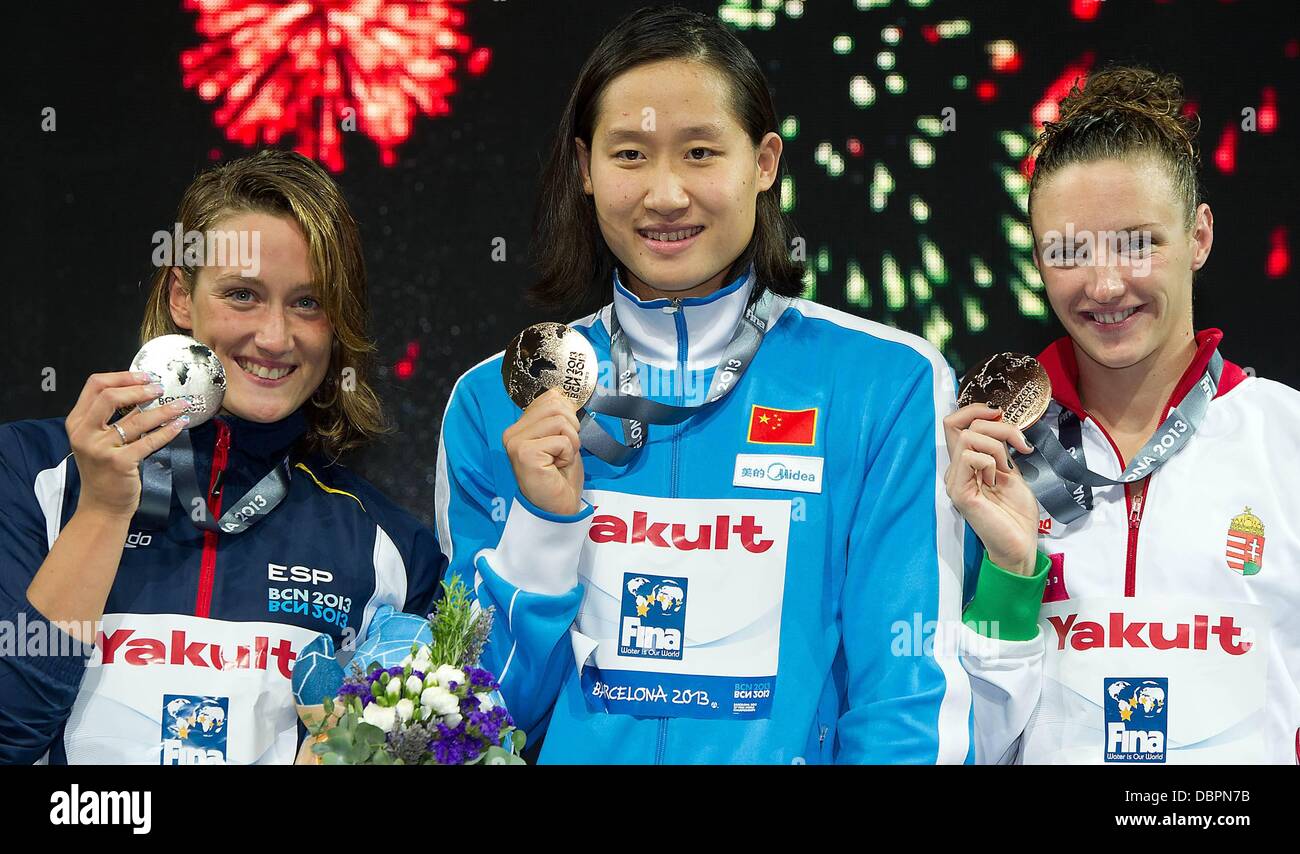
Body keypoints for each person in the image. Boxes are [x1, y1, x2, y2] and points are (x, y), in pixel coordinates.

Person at [435, 5, 976, 764]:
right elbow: (466, 725)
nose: (664, 195)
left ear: (764, 163)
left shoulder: (883, 385)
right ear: (584, 169)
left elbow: (905, 701)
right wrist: (544, 530)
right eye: (629, 155)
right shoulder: (497, 399)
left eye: (698, 152)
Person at [0, 150, 441, 764]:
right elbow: (9, 734)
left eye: (309, 303)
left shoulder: (389, 543)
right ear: (182, 297)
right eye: (243, 295)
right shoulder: (31, 471)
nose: (275, 337)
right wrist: (100, 512)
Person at [952, 66, 1300, 763]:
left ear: (1199, 237)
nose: (1105, 284)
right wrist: (1010, 573)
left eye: (1138, 243)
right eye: (1070, 251)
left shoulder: (1285, 439)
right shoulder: (982, 457)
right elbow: (971, 745)